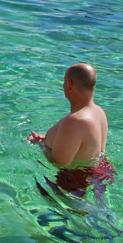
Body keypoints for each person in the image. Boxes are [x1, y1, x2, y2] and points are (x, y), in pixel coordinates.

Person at [28, 63, 113, 192]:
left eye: (64, 82)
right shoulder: (99, 112)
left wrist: (40, 144)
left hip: (73, 186)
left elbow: (59, 162)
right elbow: (86, 146)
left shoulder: (76, 121)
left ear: (70, 84)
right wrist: (48, 138)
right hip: (98, 176)